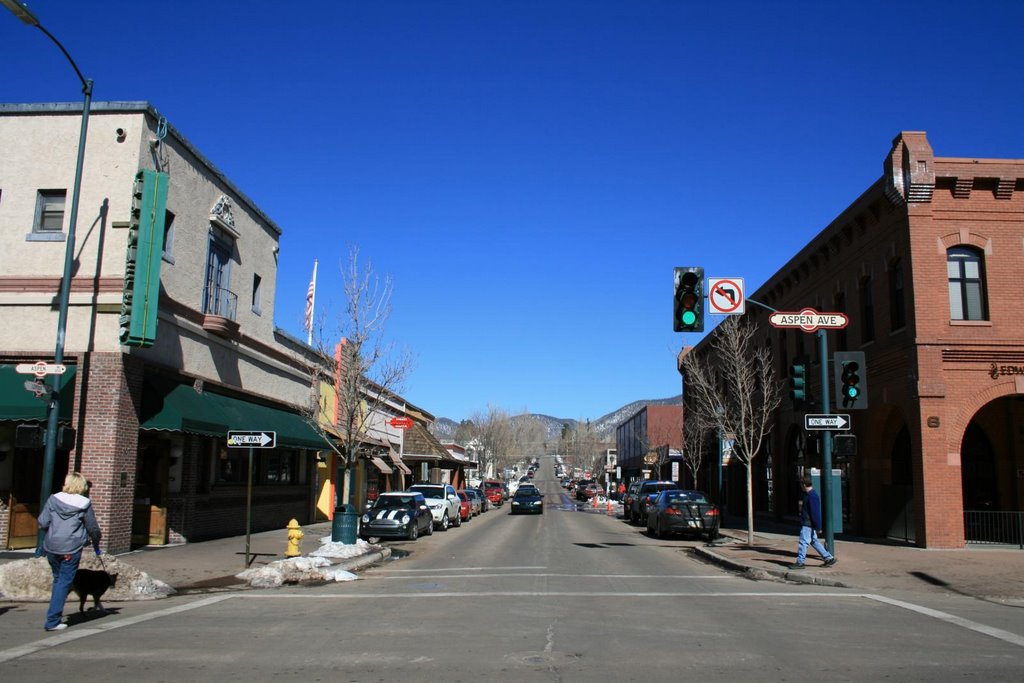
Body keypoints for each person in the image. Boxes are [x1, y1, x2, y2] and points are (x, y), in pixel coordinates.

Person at [37, 472, 102, 631]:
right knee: (64, 582)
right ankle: (52, 620)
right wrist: (95, 541)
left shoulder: (53, 499)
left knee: (58, 579)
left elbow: (43, 522)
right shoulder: (84, 503)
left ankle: (54, 614)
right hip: (71, 547)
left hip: (52, 545)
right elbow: (92, 527)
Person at [788, 474, 836, 570]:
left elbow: (815, 513)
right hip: (809, 523)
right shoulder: (810, 495)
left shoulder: (812, 496)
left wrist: (818, 527)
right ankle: (828, 558)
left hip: (808, 524)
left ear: (804, 485)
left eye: (801, 485)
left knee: (803, 543)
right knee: (814, 541)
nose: (801, 487)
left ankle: (800, 562)